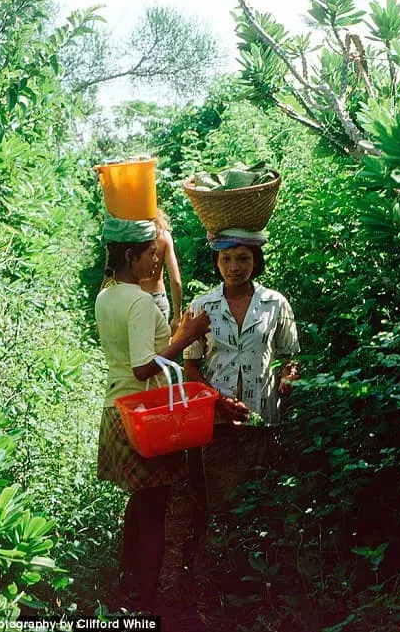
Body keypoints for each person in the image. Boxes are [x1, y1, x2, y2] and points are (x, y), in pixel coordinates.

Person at [95, 212, 209, 612]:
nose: (155, 260)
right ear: (130, 255)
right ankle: (143, 603)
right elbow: (144, 367)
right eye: (148, 253)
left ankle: (128, 590)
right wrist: (187, 337)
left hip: (116, 409)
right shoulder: (141, 303)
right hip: (142, 417)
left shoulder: (106, 295)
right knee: (154, 513)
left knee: (140, 506)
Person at [182, 228, 300, 572]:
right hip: (215, 423)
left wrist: (288, 378)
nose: (234, 267)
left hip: (261, 416)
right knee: (219, 502)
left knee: (260, 499)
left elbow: (290, 356)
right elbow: (191, 367)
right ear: (216, 262)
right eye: (226, 259)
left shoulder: (275, 303)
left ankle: (260, 572)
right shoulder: (202, 306)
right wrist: (217, 401)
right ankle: (221, 571)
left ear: (256, 261)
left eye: (243, 258)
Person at [140, 208, 183, 333]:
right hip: (157, 299)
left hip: (132, 298)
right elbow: (175, 280)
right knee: (160, 349)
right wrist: (177, 315)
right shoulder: (163, 236)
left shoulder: (127, 236)